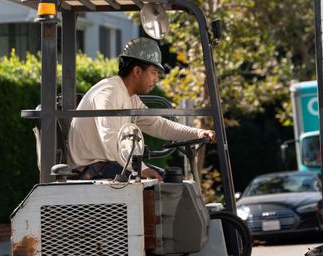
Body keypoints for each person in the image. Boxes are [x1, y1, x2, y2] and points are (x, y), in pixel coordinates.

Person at [68, 38, 215, 180]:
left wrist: (197, 133)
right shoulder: (109, 92)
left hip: (109, 165)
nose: (156, 79)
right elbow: (110, 137)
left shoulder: (130, 97)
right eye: (154, 72)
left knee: (171, 179)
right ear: (137, 71)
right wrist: (141, 169)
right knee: (162, 183)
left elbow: (158, 124)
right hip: (92, 169)